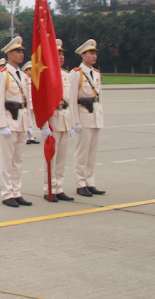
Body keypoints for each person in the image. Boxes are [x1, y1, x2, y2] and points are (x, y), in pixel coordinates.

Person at [0, 36, 34, 208]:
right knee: (7, 160)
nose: (21, 54)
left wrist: (30, 124)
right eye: (17, 51)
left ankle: (17, 191)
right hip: (10, 121)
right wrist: (2, 125)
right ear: (9, 54)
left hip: (22, 121)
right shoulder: (3, 75)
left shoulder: (23, 76)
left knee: (18, 160)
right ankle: (7, 193)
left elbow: (27, 102)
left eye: (22, 51)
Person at [69, 39, 106, 198]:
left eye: (95, 53)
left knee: (92, 153)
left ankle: (90, 182)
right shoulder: (76, 73)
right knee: (82, 153)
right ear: (83, 55)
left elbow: (99, 97)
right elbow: (72, 99)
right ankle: (80, 183)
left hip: (95, 116)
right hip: (83, 117)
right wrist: (75, 121)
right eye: (91, 53)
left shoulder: (96, 73)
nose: (94, 56)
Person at [41, 39, 76, 202]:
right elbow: (42, 100)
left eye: (62, 53)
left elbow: (71, 101)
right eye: (57, 53)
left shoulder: (65, 74)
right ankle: (49, 188)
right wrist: (44, 124)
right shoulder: (46, 74)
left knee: (62, 157)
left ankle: (59, 187)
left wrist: (73, 122)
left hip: (65, 119)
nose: (61, 57)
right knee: (51, 157)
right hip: (53, 120)